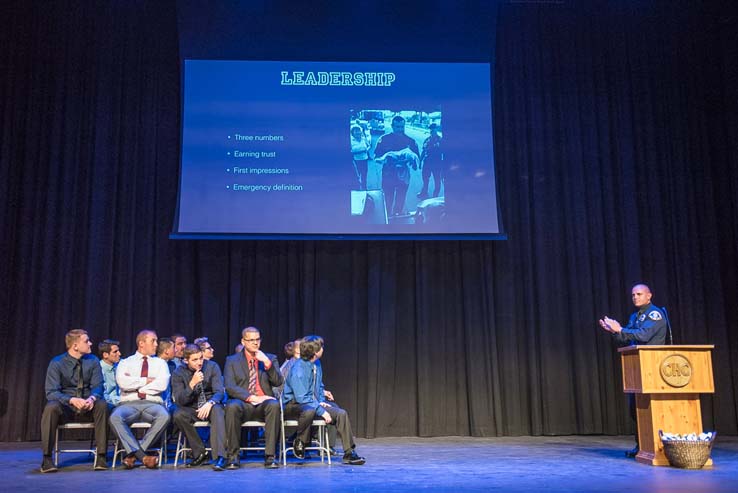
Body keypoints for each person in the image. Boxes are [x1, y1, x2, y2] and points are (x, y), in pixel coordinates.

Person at [598, 283, 667, 458]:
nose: (635, 297)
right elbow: (626, 338)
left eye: (639, 294)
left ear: (649, 296)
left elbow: (643, 335)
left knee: (651, 408)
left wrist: (620, 329)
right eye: (633, 295)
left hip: (652, 366)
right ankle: (642, 446)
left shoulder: (655, 314)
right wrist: (613, 331)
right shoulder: (635, 316)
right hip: (638, 368)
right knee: (635, 409)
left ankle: (658, 446)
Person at [40, 329, 109, 473]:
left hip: (88, 406)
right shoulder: (57, 363)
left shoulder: (93, 361)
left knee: (102, 405)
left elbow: (98, 386)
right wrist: (71, 399)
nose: (90, 343)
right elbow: (51, 392)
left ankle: (101, 456)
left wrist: (92, 398)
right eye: (86, 341)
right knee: (51, 407)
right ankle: (47, 458)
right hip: (66, 408)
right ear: (75, 346)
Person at [294, 335, 365, 465]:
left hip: (311, 403)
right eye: (321, 347)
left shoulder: (317, 363)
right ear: (315, 351)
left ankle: (349, 453)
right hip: (295, 405)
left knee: (340, 413)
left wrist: (321, 400)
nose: (323, 349)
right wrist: (321, 410)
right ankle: (300, 440)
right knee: (312, 410)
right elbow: (301, 397)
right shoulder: (299, 368)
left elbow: (318, 385)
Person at [109, 329, 170, 469]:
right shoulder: (125, 362)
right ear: (141, 343)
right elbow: (123, 383)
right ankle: (143, 457)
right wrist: (147, 381)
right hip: (129, 403)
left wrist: (137, 387)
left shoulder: (160, 363)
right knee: (115, 417)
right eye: (153, 341)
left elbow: (161, 385)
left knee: (164, 416)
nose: (156, 344)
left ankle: (132, 455)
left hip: (152, 403)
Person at [223, 326, 284, 469]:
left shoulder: (270, 358)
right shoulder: (232, 360)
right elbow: (230, 386)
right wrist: (251, 397)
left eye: (257, 340)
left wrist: (267, 364)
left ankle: (270, 456)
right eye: (251, 340)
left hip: (264, 404)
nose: (255, 343)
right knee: (231, 406)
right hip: (243, 402)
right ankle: (233, 456)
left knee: (274, 405)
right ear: (243, 341)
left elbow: (278, 382)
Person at [172, 344, 227, 470]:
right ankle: (200, 453)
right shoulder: (178, 373)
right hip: (191, 406)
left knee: (218, 410)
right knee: (178, 414)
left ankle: (220, 456)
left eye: (200, 358)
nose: (199, 362)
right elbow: (180, 400)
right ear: (186, 360)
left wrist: (210, 403)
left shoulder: (212, 366)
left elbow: (219, 391)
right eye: (195, 360)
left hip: (210, 404)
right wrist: (192, 384)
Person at [374, 116, 421, 216]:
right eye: (397, 127)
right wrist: (386, 159)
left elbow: (417, 162)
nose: (400, 129)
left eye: (402, 127)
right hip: (388, 174)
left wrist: (412, 161)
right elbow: (376, 157)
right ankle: (387, 216)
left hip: (403, 175)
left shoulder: (411, 141)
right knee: (387, 198)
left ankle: (397, 215)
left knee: (401, 198)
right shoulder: (384, 139)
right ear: (392, 126)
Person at [417, 123, 444, 199]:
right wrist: (420, 161)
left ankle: (435, 196)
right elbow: (423, 151)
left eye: (433, 128)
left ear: (436, 129)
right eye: (430, 128)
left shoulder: (441, 140)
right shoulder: (427, 140)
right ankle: (424, 192)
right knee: (425, 179)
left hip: (437, 163)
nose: (432, 130)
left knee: (437, 180)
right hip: (427, 163)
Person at [98, 339, 121, 408]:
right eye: (115, 352)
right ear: (105, 355)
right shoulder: (99, 369)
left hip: (120, 401)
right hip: (108, 405)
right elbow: (104, 395)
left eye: (118, 351)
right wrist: (122, 400)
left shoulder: (119, 365)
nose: (119, 354)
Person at [350, 124, 370, 190]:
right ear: (352, 133)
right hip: (356, 161)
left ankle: (364, 189)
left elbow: (368, 146)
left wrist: (367, 149)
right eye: (355, 131)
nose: (357, 132)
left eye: (358, 131)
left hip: (365, 160)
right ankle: (357, 189)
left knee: (364, 176)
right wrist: (361, 150)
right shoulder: (351, 141)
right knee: (356, 177)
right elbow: (350, 151)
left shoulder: (363, 139)